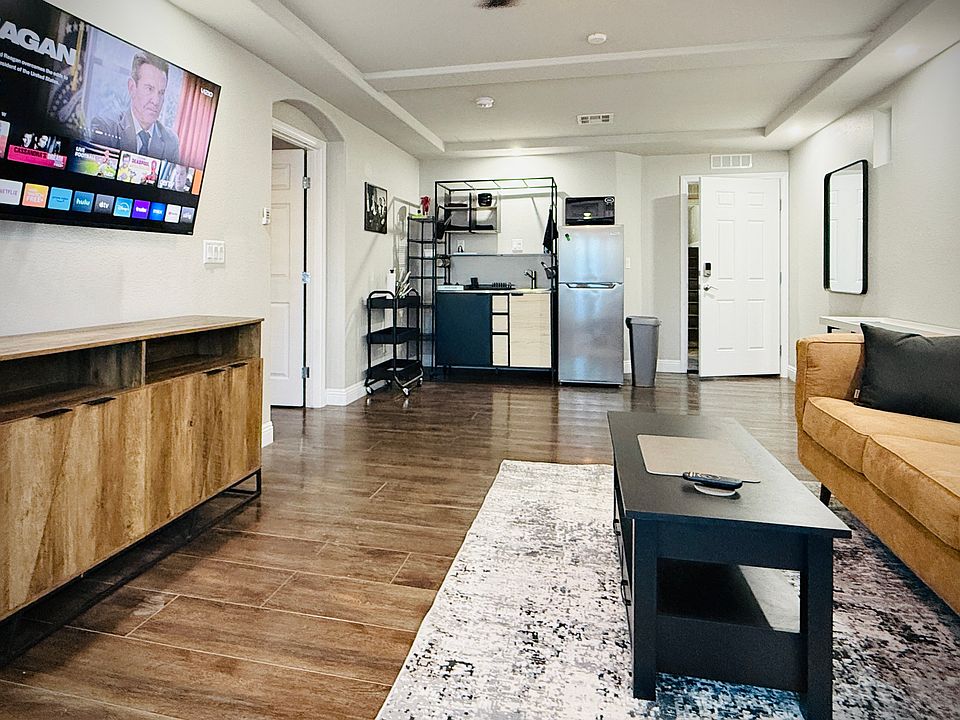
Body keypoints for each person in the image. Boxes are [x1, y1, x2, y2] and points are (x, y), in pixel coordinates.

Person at [91, 52, 180, 164]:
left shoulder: (171, 142)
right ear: (132, 87)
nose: (156, 101)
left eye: (161, 92)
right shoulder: (106, 127)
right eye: (149, 89)